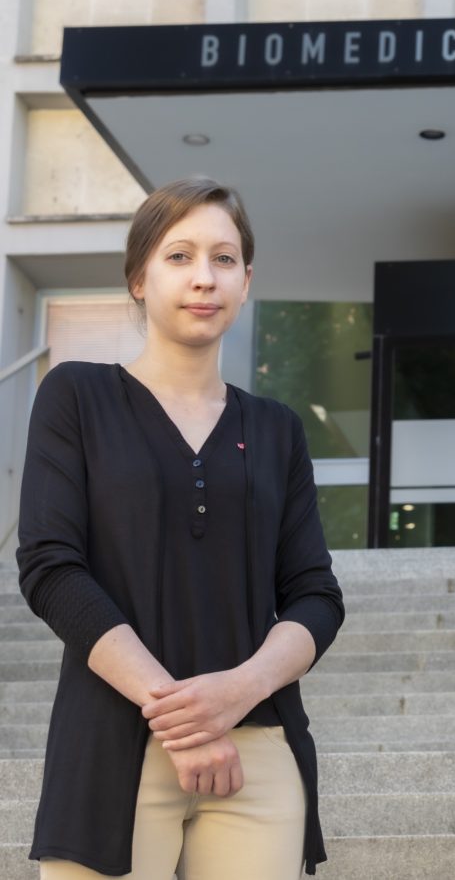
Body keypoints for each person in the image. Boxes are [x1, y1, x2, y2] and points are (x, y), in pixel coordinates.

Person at [17, 177, 345, 878]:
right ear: (139, 276)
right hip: (114, 742)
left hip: (256, 752)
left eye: (224, 259)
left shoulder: (278, 429)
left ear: (247, 280)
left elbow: (316, 594)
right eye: (180, 256)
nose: (205, 278)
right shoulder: (76, 395)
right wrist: (182, 716)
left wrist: (235, 692)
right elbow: (50, 565)